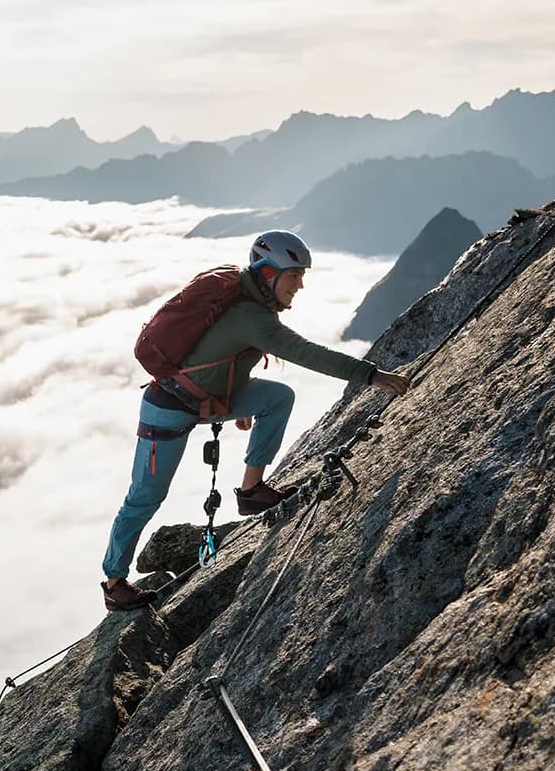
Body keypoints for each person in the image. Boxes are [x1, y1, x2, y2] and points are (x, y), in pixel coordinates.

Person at [100, 230, 412, 612]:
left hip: (206, 400)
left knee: (277, 398)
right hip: (166, 409)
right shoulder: (252, 317)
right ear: (268, 274)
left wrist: (237, 403)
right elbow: (306, 353)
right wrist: (372, 375)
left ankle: (251, 491)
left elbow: (223, 355)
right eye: (294, 276)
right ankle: (115, 582)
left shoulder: (250, 304)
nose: (300, 285)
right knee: (145, 496)